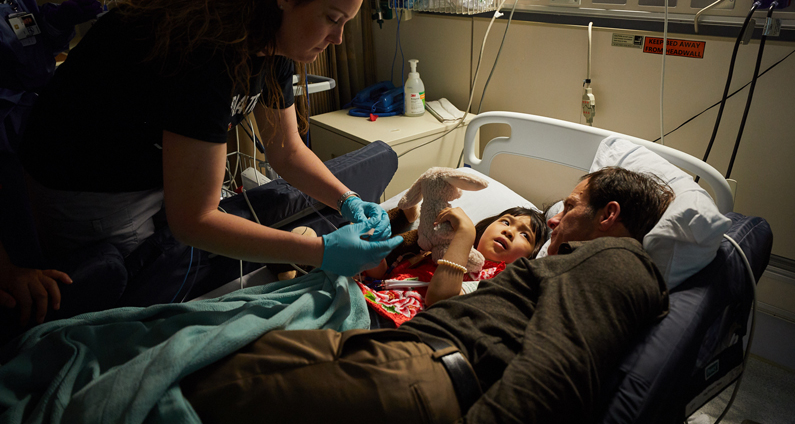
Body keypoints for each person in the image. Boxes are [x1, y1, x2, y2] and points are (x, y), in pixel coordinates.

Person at [13, 0, 401, 323]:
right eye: (333, 19)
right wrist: (320, 252)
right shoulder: (206, 49)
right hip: (88, 184)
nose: (337, 39)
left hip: (148, 165)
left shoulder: (278, 38)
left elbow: (286, 149)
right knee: (139, 295)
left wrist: (346, 199)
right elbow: (194, 221)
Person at [180, 166, 675, 423]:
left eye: (569, 206)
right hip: (397, 350)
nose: (555, 219)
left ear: (607, 216)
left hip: (426, 369)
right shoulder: (568, 266)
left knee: (209, 393)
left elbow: (556, 374)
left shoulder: (619, 263)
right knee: (197, 363)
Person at [0, 0, 101, 328]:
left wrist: (54, 23)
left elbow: (26, 33)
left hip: (28, 119)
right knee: (22, 269)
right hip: (3, 131)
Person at [361, 206, 548, 326]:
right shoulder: (442, 248)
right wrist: (373, 253)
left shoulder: (500, 280)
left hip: (395, 323)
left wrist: (466, 233)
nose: (509, 231)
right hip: (368, 296)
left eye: (525, 235)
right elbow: (383, 280)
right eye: (506, 222)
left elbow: (441, 300)